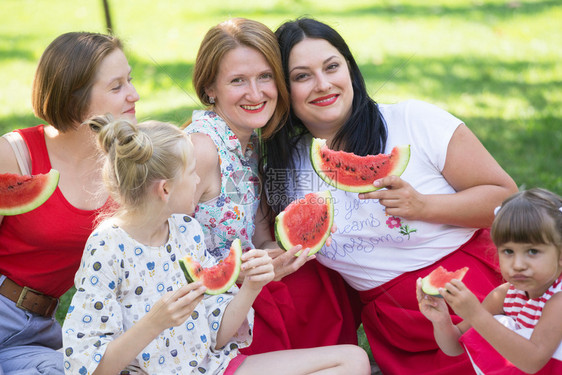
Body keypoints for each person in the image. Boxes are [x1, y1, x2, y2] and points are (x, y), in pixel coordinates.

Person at [262, 17, 520, 374]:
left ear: (350, 70)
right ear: (284, 90)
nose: (323, 85)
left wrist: (424, 206)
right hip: (398, 327)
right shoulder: (283, 168)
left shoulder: (414, 121)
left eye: (332, 66)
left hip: (474, 291)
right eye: (302, 76)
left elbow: (506, 199)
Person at [61, 115, 371, 375]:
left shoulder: (186, 230)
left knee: (352, 360)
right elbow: (92, 367)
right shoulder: (108, 245)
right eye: (192, 173)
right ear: (166, 189)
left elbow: (220, 337)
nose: (199, 182)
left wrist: (251, 285)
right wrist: (155, 322)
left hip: (214, 368)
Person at [183, 17, 360, 355]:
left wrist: (276, 255)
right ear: (210, 89)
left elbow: (260, 234)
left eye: (265, 77)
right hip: (207, 310)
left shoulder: (251, 146)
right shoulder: (201, 150)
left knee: (323, 277)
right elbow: (159, 249)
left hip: (245, 283)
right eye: (238, 81)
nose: (255, 93)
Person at [0, 32, 139, 374]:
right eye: (117, 86)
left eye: (131, 81)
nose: (134, 95)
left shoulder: (124, 172)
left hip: (42, 330)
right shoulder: (14, 154)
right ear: (75, 99)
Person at [417, 188, 562, 374]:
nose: (518, 265)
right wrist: (441, 320)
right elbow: (454, 346)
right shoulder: (504, 295)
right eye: (508, 251)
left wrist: (476, 315)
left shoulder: (558, 300)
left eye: (533, 251)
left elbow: (533, 361)